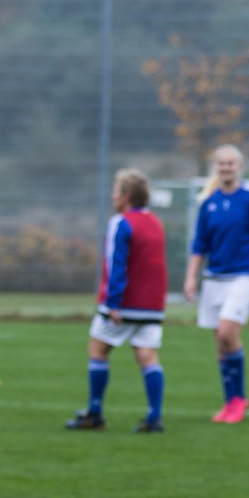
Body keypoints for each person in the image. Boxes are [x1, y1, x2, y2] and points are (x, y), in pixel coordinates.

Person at [66, 168, 168, 433]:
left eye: (115, 191)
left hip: (125, 303)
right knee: (147, 355)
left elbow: (116, 264)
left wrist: (112, 302)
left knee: (98, 349)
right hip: (152, 305)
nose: (112, 196)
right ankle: (154, 417)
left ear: (125, 196)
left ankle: (95, 412)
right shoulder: (155, 222)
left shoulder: (121, 222)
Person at [183, 144, 249, 424]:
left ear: (240, 166)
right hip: (214, 278)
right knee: (220, 342)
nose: (225, 168)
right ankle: (230, 402)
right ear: (216, 166)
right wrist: (191, 277)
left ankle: (239, 398)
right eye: (221, 163)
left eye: (231, 163)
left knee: (227, 332)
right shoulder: (209, 200)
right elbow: (199, 243)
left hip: (245, 275)